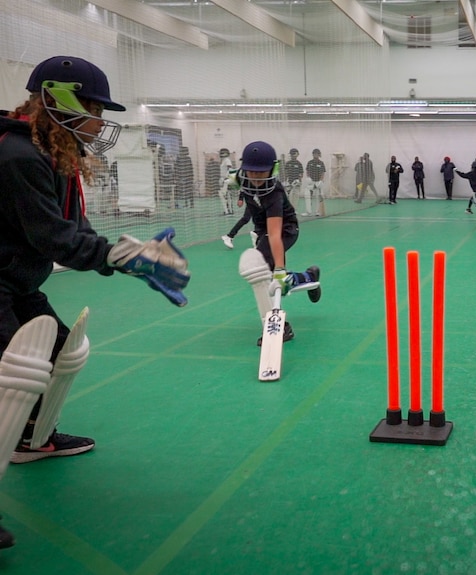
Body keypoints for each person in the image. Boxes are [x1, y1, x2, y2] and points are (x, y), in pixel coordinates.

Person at [0, 55, 190, 549]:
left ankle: (30, 438)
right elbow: (54, 238)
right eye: (95, 108)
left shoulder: (51, 151)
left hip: (16, 282)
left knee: (62, 352)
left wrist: (125, 254)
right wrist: (124, 258)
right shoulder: (17, 156)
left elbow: (74, 231)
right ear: (59, 101)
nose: (101, 121)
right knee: (9, 379)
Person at [232, 141, 321, 345]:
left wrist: (280, 268)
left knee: (261, 271)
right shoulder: (243, 178)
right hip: (263, 231)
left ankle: (280, 328)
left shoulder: (274, 194)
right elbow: (238, 179)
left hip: (286, 229)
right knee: (271, 276)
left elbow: (274, 234)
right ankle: (308, 276)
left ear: (273, 169)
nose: (255, 177)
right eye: (251, 172)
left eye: (261, 172)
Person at [304, 148, 326, 216]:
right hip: (311, 182)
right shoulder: (310, 162)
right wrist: (308, 178)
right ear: (313, 154)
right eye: (314, 153)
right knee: (307, 195)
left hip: (318, 182)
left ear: (319, 154)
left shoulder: (321, 163)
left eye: (317, 153)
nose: (315, 155)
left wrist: (321, 181)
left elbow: (322, 173)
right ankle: (308, 212)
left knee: (318, 196)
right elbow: (307, 171)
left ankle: (317, 211)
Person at [218, 147, 235, 214]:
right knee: (224, 195)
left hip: (226, 179)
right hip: (223, 179)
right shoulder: (223, 160)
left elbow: (230, 169)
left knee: (227, 195)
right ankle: (227, 210)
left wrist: (226, 178)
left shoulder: (227, 160)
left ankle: (229, 211)